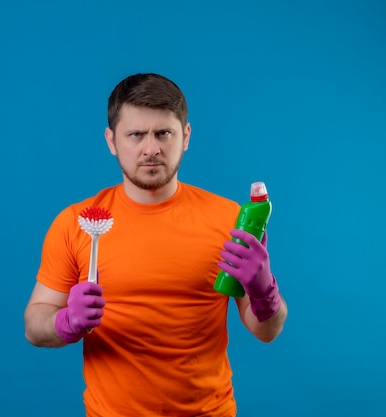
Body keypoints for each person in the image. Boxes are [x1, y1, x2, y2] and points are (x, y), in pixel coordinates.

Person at [24, 73, 288, 417]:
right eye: (136, 134)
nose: (151, 148)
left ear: (186, 136)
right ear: (111, 140)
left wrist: (264, 291)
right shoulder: (78, 223)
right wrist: (65, 322)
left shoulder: (229, 219)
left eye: (164, 133)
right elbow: (34, 324)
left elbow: (266, 331)